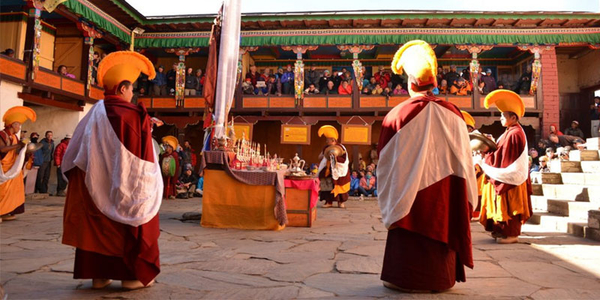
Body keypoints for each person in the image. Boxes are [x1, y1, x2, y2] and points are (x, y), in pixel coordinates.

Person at [377, 40, 477, 292]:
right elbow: (465, 160)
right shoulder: (454, 113)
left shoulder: (397, 115)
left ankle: (405, 278)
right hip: (446, 190)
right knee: (442, 221)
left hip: (408, 195)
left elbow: (385, 162)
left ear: (410, 84)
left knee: (409, 234)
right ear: (434, 84)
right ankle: (441, 278)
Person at [61, 51, 161, 289]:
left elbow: (75, 155)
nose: (132, 94)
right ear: (122, 88)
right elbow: (140, 158)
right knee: (125, 223)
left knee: (97, 227)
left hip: (93, 188)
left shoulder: (93, 114)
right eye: (131, 89)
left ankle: (99, 275)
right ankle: (131, 277)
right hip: (123, 185)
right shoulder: (134, 115)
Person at [477, 90, 532, 244]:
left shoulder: (515, 133)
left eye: (503, 116)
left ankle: (511, 234)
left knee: (510, 205)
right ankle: (501, 231)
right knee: (501, 202)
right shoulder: (510, 131)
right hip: (506, 175)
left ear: (513, 117)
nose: (500, 118)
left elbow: (506, 157)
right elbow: (500, 151)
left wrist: (488, 154)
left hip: (511, 178)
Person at [1, 106, 36, 222]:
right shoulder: (2, 134)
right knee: (3, 190)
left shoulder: (14, 137)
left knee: (14, 190)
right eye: (18, 125)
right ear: (11, 124)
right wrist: (19, 145)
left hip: (13, 167)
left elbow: (15, 151)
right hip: (4, 168)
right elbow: (2, 149)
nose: (19, 128)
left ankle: (6, 212)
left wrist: (26, 151)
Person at [317, 125, 351, 208]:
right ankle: (328, 202)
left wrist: (335, 158)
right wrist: (323, 155)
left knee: (340, 183)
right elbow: (320, 157)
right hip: (328, 168)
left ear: (333, 140)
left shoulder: (340, 147)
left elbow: (344, 159)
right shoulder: (326, 147)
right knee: (326, 180)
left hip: (339, 168)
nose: (326, 141)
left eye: (327, 140)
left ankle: (341, 202)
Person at [160, 136, 180, 200]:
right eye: (165, 147)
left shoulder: (174, 155)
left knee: (172, 182)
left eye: (167, 147)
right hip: (164, 171)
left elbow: (176, 165)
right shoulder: (164, 155)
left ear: (171, 148)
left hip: (172, 171)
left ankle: (171, 194)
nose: (166, 148)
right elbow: (161, 163)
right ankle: (165, 194)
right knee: (164, 181)